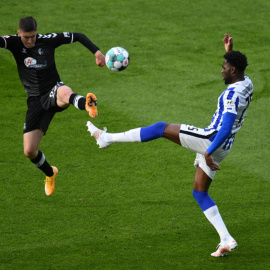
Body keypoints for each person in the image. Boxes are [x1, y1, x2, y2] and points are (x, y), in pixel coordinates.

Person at [86, 34, 253, 257]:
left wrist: (208, 151)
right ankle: (225, 238)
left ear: (233, 71)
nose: (221, 70)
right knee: (199, 193)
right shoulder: (246, 83)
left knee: (160, 128)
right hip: (226, 146)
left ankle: (106, 138)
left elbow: (226, 126)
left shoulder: (231, 95)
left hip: (212, 140)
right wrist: (229, 51)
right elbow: (237, 70)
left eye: (224, 66)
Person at [0, 16, 105, 196]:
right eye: (26, 37)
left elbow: (78, 36)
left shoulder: (48, 41)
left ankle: (87, 104)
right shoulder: (14, 43)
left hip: (53, 89)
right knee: (29, 151)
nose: (30, 40)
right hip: (35, 101)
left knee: (64, 92)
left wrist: (97, 52)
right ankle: (50, 173)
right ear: (19, 34)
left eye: (33, 36)